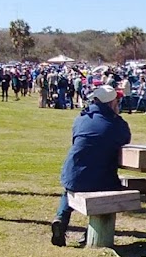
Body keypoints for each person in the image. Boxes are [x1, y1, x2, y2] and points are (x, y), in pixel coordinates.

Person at [52, 81, 131, 245]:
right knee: (113, 189)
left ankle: (61, 218)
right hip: (102, 178)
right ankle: (91, 233)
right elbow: (125, 138)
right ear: (111, 103)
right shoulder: (117, 125)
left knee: (69, 191)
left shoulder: (81, 119)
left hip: (73, 173)